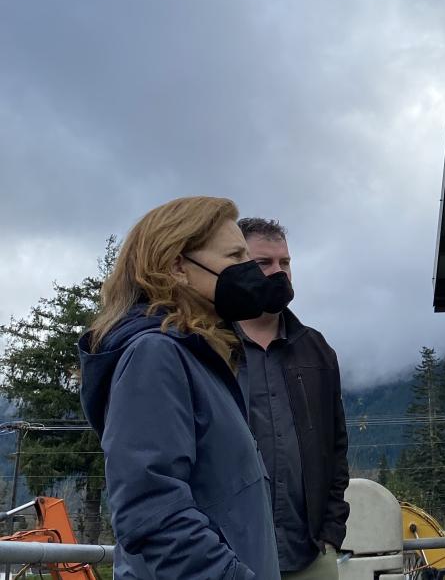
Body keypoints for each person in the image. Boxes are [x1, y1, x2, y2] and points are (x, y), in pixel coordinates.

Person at [79, 196, 290, 579]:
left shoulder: (203, 358)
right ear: (178, 266)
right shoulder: (154, 356)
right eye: (235, 257)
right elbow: (152, 511)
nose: (252, 272)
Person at [229, 218, 349, 579]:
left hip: (310, 554)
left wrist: (331, 531)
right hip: (229, 556)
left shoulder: (316, 350)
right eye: (264, 263)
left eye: (285, 263)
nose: (278, 273)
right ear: (237, 268)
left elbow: (337, 446)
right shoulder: (210, 347)